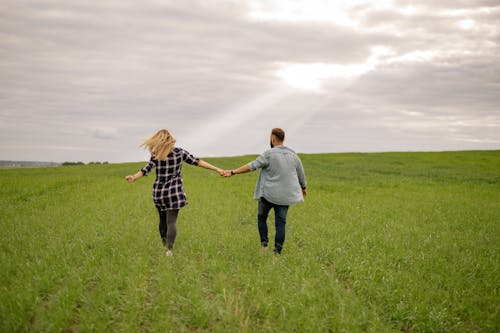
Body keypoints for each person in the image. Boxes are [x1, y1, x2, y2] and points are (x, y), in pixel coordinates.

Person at [125, 129, 223, 256]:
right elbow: (197, 161)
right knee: (171, 222)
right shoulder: (180, 152)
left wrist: (133, 177)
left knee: (162, 220)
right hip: (174, 192)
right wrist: (217, 169)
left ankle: (164, 245)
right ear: (170, 139)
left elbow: (146, 169)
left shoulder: (156, 155)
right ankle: (169, 250)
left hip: (159, 193)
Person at [222, 128, 307, 254]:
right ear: (283, 139)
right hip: (285, 197)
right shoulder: (293, 155)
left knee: (261, 218)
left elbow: (252, 166)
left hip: (267, 195)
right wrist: (303, 188)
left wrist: (233, 172)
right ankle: (277, 253)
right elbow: (301, 174)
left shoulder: (269, 154)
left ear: (272, 138)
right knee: (281, 224)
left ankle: (264, 245)